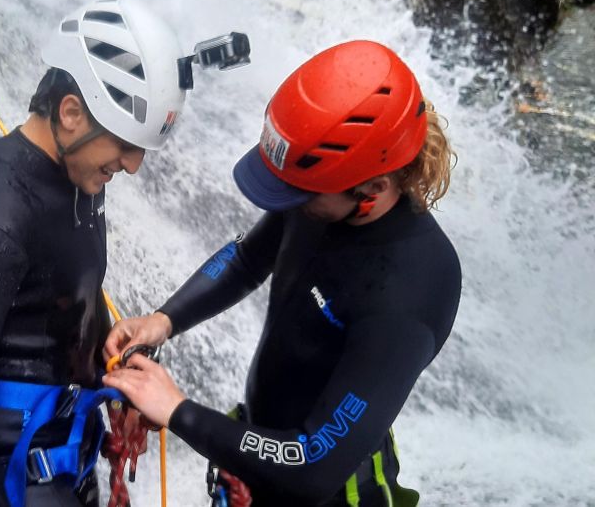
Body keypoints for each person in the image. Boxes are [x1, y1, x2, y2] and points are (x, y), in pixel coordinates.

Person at [102, 40, 461, 507]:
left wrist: (177, 410)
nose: (286, 202)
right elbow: (251, 257)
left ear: (373, 186)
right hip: (255, 464)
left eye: (300, 191)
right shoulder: (322, 196)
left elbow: (313, 465)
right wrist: (164, 320)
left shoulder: (412, 288)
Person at [0, 0, 192, 507]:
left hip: (69, 457)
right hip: (15, 476)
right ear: (71, 112)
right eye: (127, 145)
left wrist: (108, 355)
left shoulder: (81, 172)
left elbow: (50, 297)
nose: (133, 167)